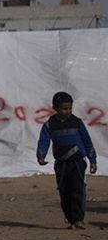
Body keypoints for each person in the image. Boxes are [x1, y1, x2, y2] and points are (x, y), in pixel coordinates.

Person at [36, 91, 98, 229]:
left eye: (69, 108)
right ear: (55, 108)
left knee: (77, 189)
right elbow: (44, 141)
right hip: (62, 164)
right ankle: (70, 220)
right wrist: (41, 155)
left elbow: (87, 141)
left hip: (77, 162)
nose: (67, 111)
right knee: (64, 191)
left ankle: (78, 219)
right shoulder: (50, 124)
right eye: (64, 108)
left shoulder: (77, 122)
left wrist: (92, 160)